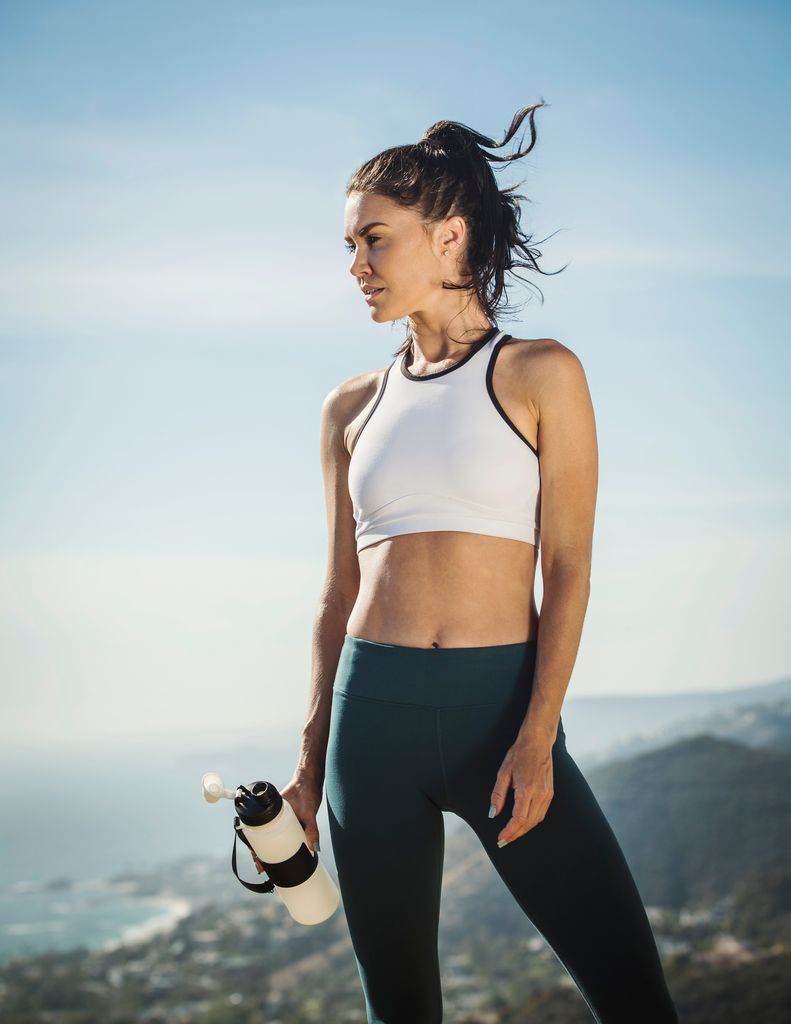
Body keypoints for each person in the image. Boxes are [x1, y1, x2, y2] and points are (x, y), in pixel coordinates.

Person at [256, 104, 680, 1023]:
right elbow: (337, 595)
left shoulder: (540, 372)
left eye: (374, 240)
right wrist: (306, 762)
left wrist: (537, 736)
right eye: (347, 246)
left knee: (634, 998)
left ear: (448, 236)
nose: (355, 267)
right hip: (370, 733)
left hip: (503, 723)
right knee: (400, 1012)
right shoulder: (348, 408)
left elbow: (568, 567)